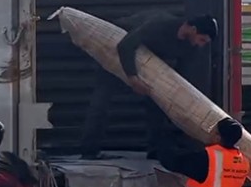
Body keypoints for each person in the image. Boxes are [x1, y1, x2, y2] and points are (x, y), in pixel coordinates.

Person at [80, 12, 217, 159]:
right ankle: (89, 150)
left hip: (146, 66)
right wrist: (133, 78)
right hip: (116, 53)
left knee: (157, 105)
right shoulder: (159, 24)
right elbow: (125, 45)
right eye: (201, 39)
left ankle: (155, 150)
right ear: (193, 29)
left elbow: (181, 75)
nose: (201, 44)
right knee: (101, 100)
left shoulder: (190, 47)